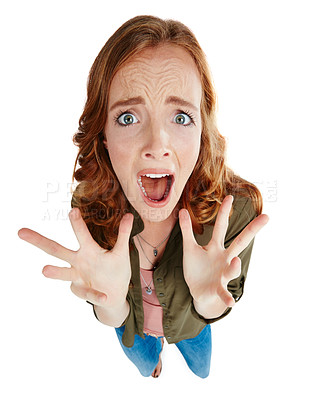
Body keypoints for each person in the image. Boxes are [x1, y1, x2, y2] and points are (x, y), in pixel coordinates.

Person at [18, 15, 269, 379]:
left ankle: (185, 353)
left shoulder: (236, 209)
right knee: (145, 364)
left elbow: (219, 303)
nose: (157, 146)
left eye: (181, 117)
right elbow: (110, 313)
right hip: (133, 329)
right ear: (103, 133)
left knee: (202, 371)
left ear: (202, 131)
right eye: (127, 118)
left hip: (192, 326)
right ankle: (155, 360)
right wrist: (111, 304)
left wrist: (208, 302)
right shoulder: (90, 208)